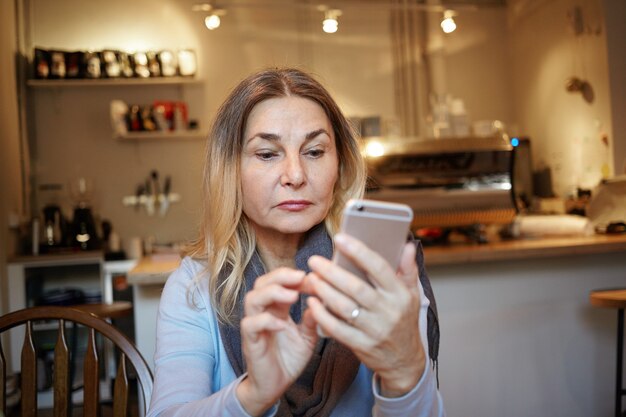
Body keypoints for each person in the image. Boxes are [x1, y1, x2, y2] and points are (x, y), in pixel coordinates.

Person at [147, 67, 445, 417]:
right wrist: (253, 394)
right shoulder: (195, 286)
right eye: (267, 154)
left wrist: (406, 373)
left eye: (315, 152)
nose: (296, 175)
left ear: (341, 165)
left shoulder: (384, 274)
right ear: (230, 170)